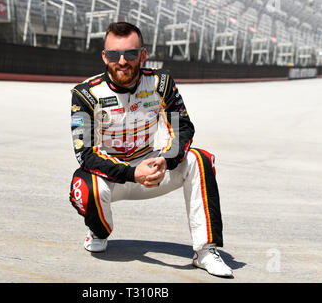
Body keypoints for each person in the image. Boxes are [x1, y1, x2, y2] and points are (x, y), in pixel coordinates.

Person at [69, 22, 233, 277]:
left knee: (199, 160)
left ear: (143, 55)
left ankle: (205, 251)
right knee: (85, 188)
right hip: (113, 176)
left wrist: (166, 160)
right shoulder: (86, 94)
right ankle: (98, 231)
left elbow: (183, 128)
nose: (122, 61)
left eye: (131, 54)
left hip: (154, 168)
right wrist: (132, 173)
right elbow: (85, 154)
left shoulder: (161, 83)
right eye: (114, 55)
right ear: (104, 56)